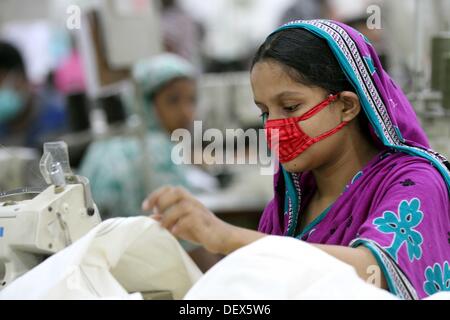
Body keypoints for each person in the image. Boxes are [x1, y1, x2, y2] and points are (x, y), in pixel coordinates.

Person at [142, 20, 450, 299]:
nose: (273, 127)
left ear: (346, 106)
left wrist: (226, 236)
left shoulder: (415, 182)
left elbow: (374, 274)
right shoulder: (289, 204)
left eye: (290, 107)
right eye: (265, 112)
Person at [80, 53, 216, 220]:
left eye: (192, 100)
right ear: (144, 102)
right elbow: (182, 229)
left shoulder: (107, 144)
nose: (186, 112)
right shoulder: (155, 151)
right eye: (173, 100)